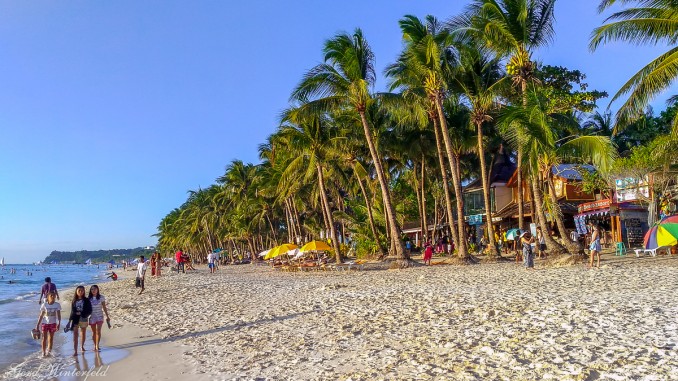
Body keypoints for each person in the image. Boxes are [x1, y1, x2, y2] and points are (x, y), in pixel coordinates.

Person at [67, 285, 92, 356]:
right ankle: (75, 351)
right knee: (75, 335)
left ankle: (82, 346)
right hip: (75, 319)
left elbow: (89, 310)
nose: (80, 292)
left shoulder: (86, 300)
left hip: (83, 319)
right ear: (76, 292)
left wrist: (82, 313)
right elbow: (72, 311)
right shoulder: (74, 300)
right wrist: (69, 321)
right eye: (79, 290)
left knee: (83, 333)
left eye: (82, 290)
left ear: (84, 291)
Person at [35, 291, 61, 357]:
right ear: (48, 297)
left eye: (54, 296)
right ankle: (43, 352)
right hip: (44, 323)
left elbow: (58, 315)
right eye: (51, 295)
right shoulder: (44, 305)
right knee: (44, 338)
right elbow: (41, 316)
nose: (53, 297)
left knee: (51, 338)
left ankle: (49, 351)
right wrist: (37, 325)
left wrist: (59, 323)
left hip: (53, 324)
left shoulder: (57, 305)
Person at [88, 285, 110, 352]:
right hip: (92, 317)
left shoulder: (101, 297)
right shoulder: (89, 298)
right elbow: (86, 309)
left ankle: (97, 346)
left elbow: (104, 307)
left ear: (97, 290)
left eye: (95, 289)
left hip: (100, 316)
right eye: (92, 289)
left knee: (98, 331)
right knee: (94, 332)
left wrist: (107, 316)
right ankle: (95, 346)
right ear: (90, 291)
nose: (93, 290)